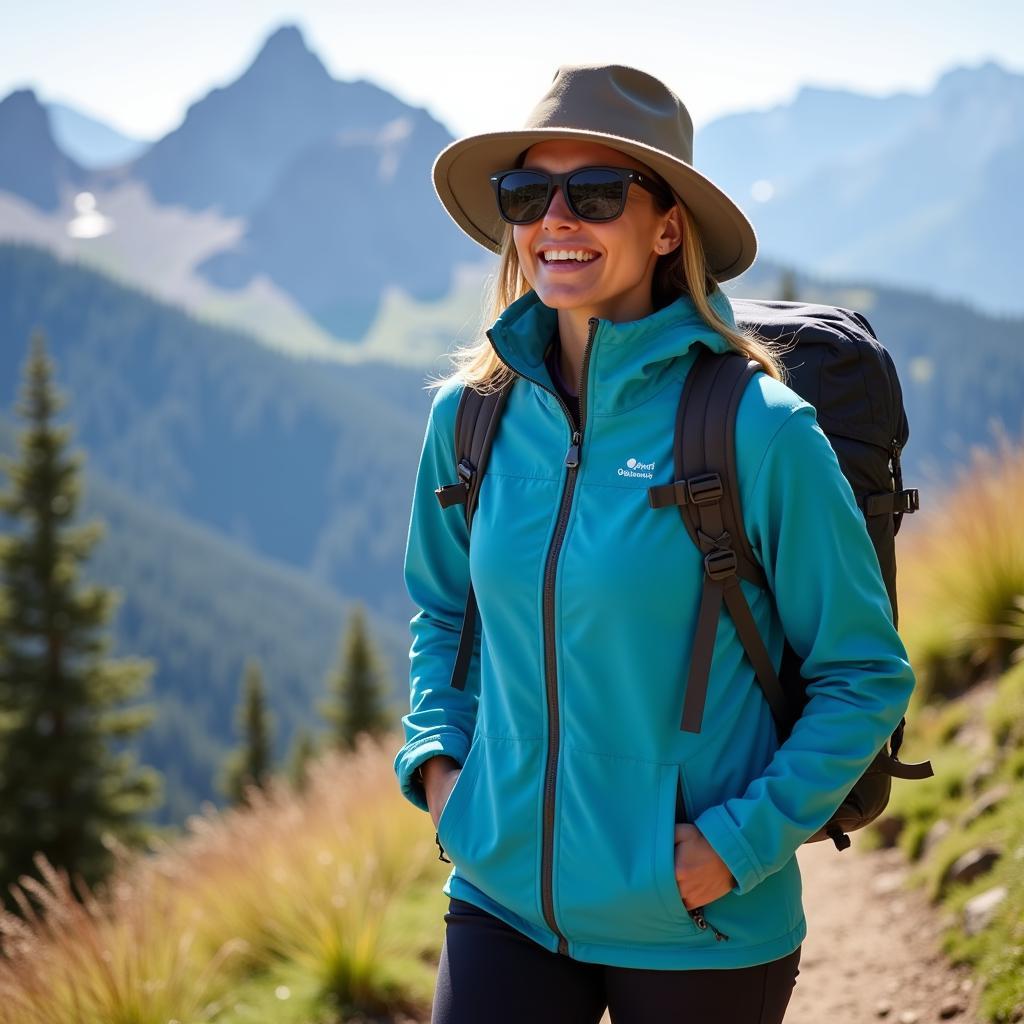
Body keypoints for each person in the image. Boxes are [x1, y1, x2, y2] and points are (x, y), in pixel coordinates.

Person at [393, 63, 916, 1024]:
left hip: (698, 921)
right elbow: (443, 609)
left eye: (594, 193)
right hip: (503, 896)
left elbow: (864, 674)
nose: (555, 219)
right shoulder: (469, 419)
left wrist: (736, 845)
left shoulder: (761, 431)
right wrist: (440, 767)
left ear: (668, 226)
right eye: (527, 193)